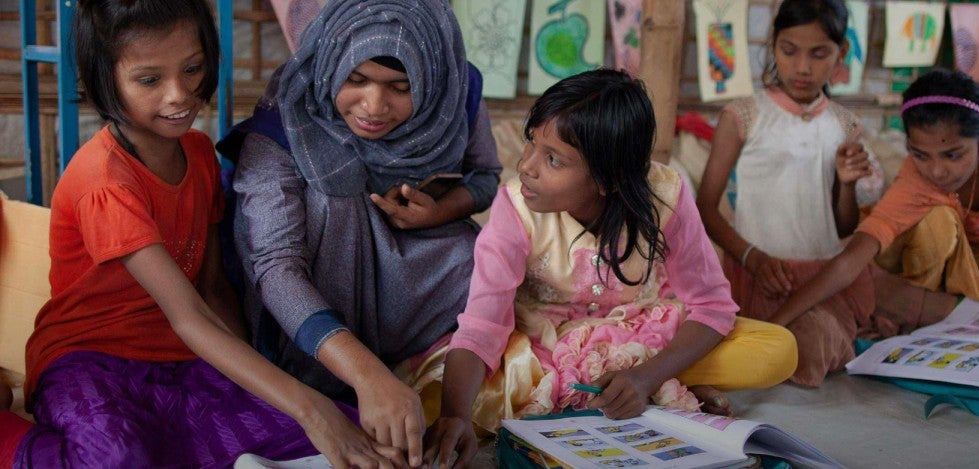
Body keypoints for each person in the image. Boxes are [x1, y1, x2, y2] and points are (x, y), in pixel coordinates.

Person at [0, 1, 397, 467]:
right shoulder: (105, 183)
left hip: (185, 359)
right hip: (88, 361)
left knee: (352, 437)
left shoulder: (200, 153)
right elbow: (188, 315)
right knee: (117, 458)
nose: (179, 95)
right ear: (105, 79)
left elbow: (211, 289)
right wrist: (311, 409)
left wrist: (259, 389)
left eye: (191, 69)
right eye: (149, 80)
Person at [423, 69, 798, 468]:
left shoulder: (666, 195)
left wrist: (647, 375)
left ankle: (640, 383)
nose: (527, 167)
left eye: (553, 159)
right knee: (433, 399)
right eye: (531, 142)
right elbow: (483, 324)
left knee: (777, 350)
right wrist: (455, 415)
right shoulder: (514, 207)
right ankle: (661, 385)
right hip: (544, 350)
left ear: (609, 179)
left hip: (645, 333)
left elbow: (712, 306)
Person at [217, 0, 501, 464]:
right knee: (331, 199)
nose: (374, 106)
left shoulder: (453, 87)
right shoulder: (287, 118)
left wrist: (438, 212)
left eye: (400, 88)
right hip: (320, 298)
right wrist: (367, 375)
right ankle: (339, 371)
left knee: (478, 255)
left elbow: (485, 176)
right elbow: (276, 267)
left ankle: (409, 369)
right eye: (356, 80)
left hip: (411, 279)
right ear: (331, 66)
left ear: (429, 77)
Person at [768, 69, 979, 342]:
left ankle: (923, 309)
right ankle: (907, 304)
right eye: (921, 155)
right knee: (939, 221)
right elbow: (851, 259)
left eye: (952, 155)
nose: (937, 171)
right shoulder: (915, 182)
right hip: (904, 263)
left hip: (967, 262)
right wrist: (777, 323)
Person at [696, 0, 883, 387]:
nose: (802, 67)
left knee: (809, 344)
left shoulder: (844, 124)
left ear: (842, 52)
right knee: (761, 346)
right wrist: (754, 258)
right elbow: (705, 209)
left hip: (823, 279)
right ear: (773, 44)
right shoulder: (744, 116)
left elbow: (843, 226)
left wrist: (847, 184)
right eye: (789, 50)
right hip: (756, 273)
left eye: (819, 54)